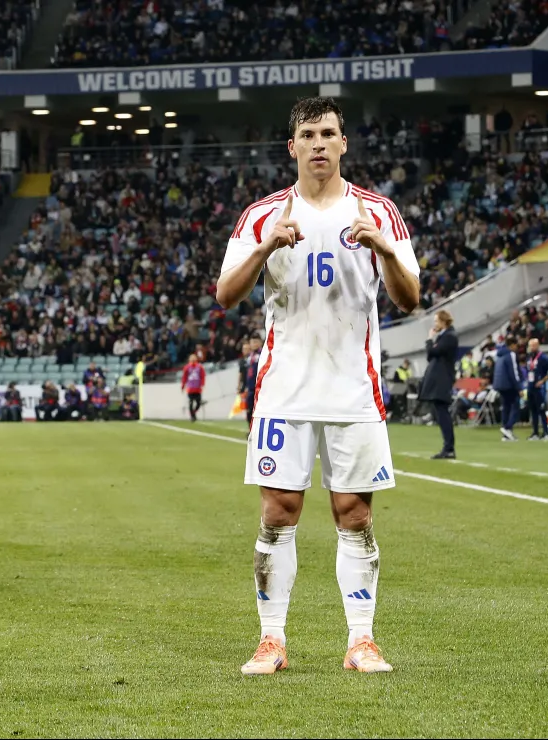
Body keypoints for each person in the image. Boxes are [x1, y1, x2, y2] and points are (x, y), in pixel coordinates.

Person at [214, 97, 420, 676]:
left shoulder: (379, 212)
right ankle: (271, 641)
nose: (319, 143)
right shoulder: (262, 215)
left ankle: (362, 641)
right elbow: (225, 295)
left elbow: (409, 298)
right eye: (308, 134)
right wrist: (265, 247)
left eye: (329, 133)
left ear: (344, 143)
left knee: (354, 516)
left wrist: (384, 249)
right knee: (278, 512)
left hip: (355, 389)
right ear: (293, 147)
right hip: (284, 390)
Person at [420, 310, 459, 459]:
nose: (435, 324)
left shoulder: (449, 336)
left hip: (442, 379)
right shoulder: (445, 336)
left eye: (436, 321)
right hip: (440, 379)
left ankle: (449, 448)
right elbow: (431, 355)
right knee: (440, 412)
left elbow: (432, 353)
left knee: (442, 413)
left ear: (443, 321)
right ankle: (447, 447)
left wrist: (430, 339)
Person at [524, 338, 548, 440]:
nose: (532, 347)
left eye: (534, 345)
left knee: (541, 410)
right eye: (531, 345)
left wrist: (543, 380)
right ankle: (535, 433)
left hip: (539, 388)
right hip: (530, 387)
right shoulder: (529, 357)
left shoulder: (543, 357)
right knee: (533, 410)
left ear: (538, 346)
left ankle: (546, 432)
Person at [492, 335, 521, 441]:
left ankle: (506, 435)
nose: (517, 348)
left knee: (506, 408)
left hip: (499, 384)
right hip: (509, 384)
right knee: (516, 407)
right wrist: (519, 387)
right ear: (512, 345)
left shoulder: (500, 355)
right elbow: (514, 372)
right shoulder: (511, 355)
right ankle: (507, 428)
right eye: (516, 345)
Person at [181, 353, 205, 422]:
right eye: (192, 358)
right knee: (191, 403)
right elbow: (184, 377)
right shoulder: (187, 367)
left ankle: (193, 412)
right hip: (190, 388)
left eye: (194, 358)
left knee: (198, 403)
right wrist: (183, 386)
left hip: (197, 388)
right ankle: (192, 416)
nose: (193, 360)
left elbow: (202, 376)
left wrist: (202, 384)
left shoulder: (200, 367)